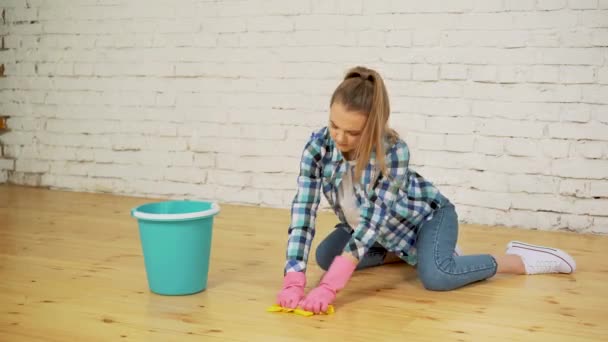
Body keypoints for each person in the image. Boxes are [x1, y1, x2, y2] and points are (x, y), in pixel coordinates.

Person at [276, 66, 577, 314]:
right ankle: (418, 255)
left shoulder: (394, 152)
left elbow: (372, 222)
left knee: (438, 276)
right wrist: (293, 275)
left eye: (353, 132)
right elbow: (304, 209)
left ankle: (518, 258)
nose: (339, 138)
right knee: (327, 256)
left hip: (429, 218)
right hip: (384, 234)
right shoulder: (318, 146)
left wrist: (330, 287)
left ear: (372, 127)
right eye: (334, 125)